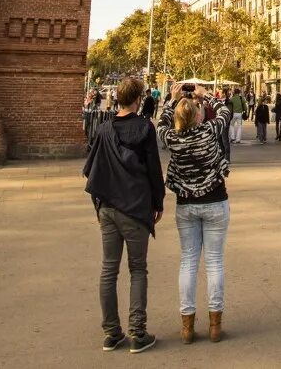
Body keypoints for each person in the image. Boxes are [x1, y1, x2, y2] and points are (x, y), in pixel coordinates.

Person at [82, 77, 164, 353]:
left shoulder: (104, 129)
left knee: (108, 269)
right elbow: (154, 169)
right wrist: (158, 202)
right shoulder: (145, 128)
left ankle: (111, 333)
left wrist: (99, 205)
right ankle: (138, 333)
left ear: (118, 98)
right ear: (139, 98)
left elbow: (93, 168)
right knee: (138, 269)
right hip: (135, 206)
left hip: (108, 207)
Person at [160, 83, 232, 343]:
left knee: (188, 262)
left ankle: (187, 327)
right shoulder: (209, 131)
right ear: (198, 115)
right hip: (215, 201)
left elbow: (161, 122)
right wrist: (206, 95)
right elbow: (225, 110)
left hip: (186, 204)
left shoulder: (171, 138)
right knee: (214, 262)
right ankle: (215, 325)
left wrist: (172, 99)